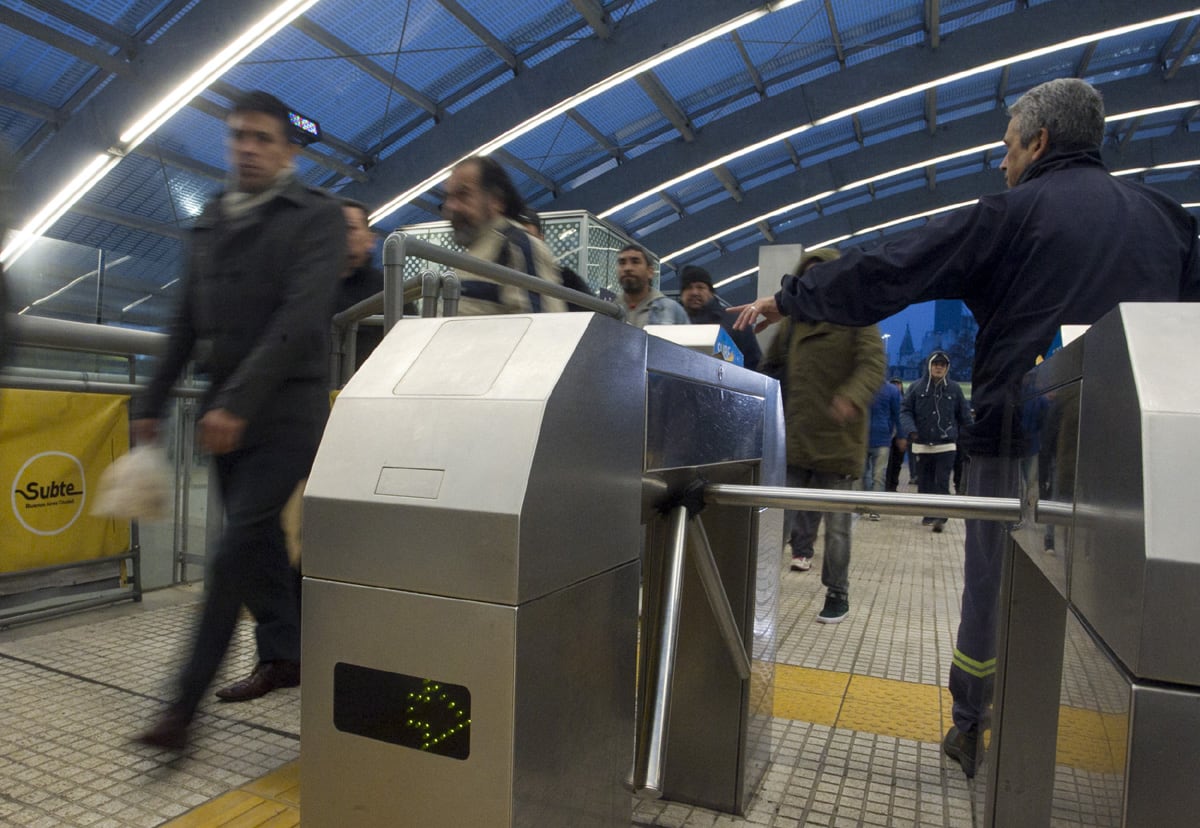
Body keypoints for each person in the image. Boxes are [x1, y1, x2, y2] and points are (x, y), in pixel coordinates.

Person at [732, 77, 1200, 777]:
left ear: (1039, 142)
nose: (1002, 165)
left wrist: (793, 297)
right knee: (1145, 596)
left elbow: (897, 269)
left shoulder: (1014, 215)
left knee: (996, 586)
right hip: (1148, 456)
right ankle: (1150, 749)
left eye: (1007, 149)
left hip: (1019, 438)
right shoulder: (1170, 222)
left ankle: (973, 723)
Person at [132, 90, 346, 750]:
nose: (248, 148)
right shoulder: (209, 222)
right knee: (255, 549)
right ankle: (286, 654)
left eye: (261, 138)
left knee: (231, 549)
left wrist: (238, 403)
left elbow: (299, 318)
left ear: (286, 149)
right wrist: (150, 401)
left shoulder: (317, 218)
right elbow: (184, 320)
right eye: (237, 137)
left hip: (285, 412)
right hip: (223, 415)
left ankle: (181, 709)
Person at [758, 248, 884, 624]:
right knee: (775, 520)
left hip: (838, 441)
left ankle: (837, 592)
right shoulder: (794, 321)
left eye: (824, 274)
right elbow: (771, 367)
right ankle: (760, 585)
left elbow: (873, 364)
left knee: (838, 529)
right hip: (796, 439)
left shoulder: (858, 318)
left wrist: (851, 396)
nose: (816, 282)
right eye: (809, 276)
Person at [442, 156, 565, 315]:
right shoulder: (477, 252)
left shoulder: (517, 247)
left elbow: (541, 328)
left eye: (463, 194)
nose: (450, 207)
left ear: (496, 200)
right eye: (447, 198)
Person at [900, 350, 971, 532]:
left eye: (943, 365)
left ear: (947, 368)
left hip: (946, 444)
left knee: (942, 481)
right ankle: (928, 513)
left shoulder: (954, 389)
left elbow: (964, 415)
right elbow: (905, 410)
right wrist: (911, 430)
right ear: (929, 366)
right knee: (924, 482)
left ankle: (941, 515)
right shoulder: (916, 387)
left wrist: (971, 436)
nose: (939, 367)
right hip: (922, 444)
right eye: (935, 364)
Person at [678, 265, 762, 370]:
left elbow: (754, 363)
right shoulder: (673, 323)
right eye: (688, 288)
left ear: (711, 292)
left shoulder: (735, 322)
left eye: (700, 287)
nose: (694, 292)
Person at [517, 207, 594, 311]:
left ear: (541, 239)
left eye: (529, 237)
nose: (522, 243)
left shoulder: (567, 280)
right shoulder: (502, 276)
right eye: (518, 237)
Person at [615, 243, 688, 328]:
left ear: (650, 271)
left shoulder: (671, 310)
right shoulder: (608, 309)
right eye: (622, 262)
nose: (627, 268)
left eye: (635, 262)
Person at [863, 375, 903, 517]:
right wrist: (900, 435)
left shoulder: (865, 387)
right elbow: (898, 415)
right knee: (874, 475)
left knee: (872, 475)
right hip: (877, 438)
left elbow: (898, 415)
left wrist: (901, 435)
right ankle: (870, 507)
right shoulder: (892, 391)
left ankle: (870, 506)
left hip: (872, 438)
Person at [884, 378, 908, 492]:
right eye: (894, 384)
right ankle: (888, 486)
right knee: (888, 463)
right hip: (887, 435)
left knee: (897, 462)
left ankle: (893, 486)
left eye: (898, 384)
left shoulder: (905, 401)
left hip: (899, 435)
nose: (897, 386)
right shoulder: (888, 399)